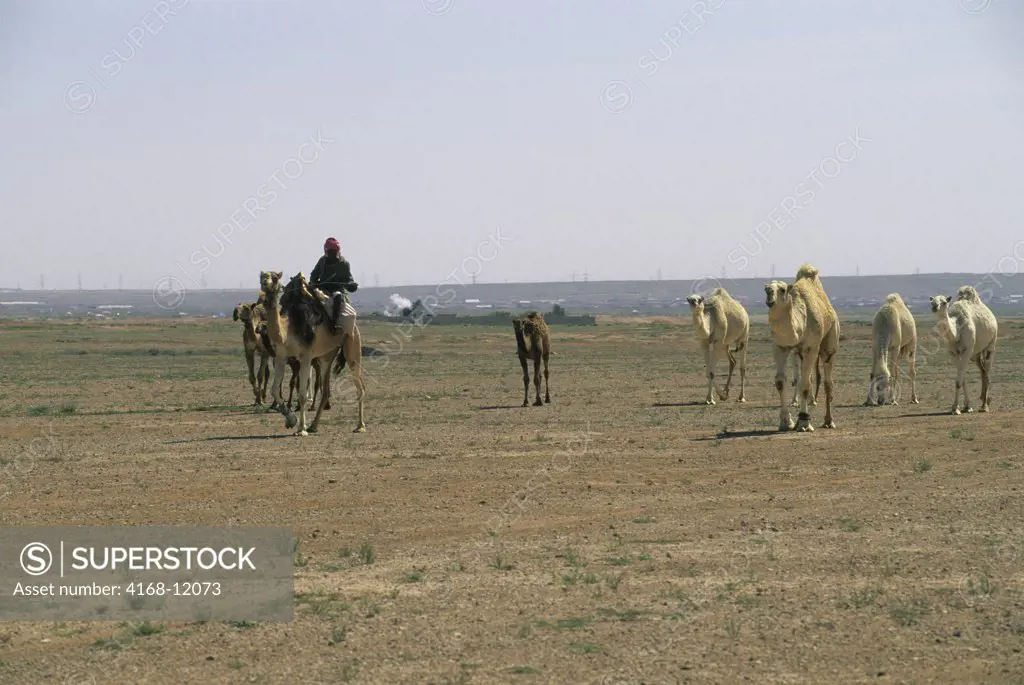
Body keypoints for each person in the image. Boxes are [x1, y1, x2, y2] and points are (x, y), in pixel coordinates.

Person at [310, 237, 358, 335]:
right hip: (322, 289)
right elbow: (314, 275)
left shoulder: (343, 264)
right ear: (326, 251)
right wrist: (315, 284)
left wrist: (351, 285)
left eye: (334, 251)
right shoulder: (322, 261)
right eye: (330, 251)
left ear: (338, 251)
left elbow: (349, 280)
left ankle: (333, 324)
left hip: (337, 290)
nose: (332, 254)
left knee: (337, 296)